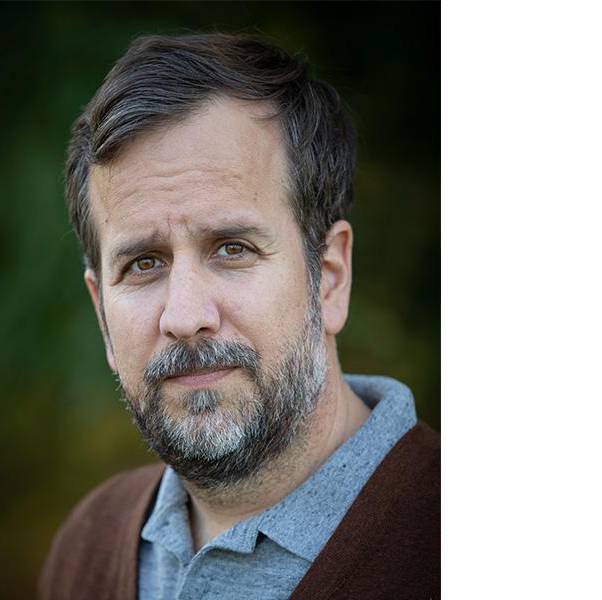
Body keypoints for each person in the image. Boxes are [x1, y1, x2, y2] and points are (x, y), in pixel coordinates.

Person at [39, 33, 439, 599]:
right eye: (144, 263)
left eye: (232, 249)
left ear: (329, 276)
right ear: (102, 313)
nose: (185, 316)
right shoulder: (87, 548)